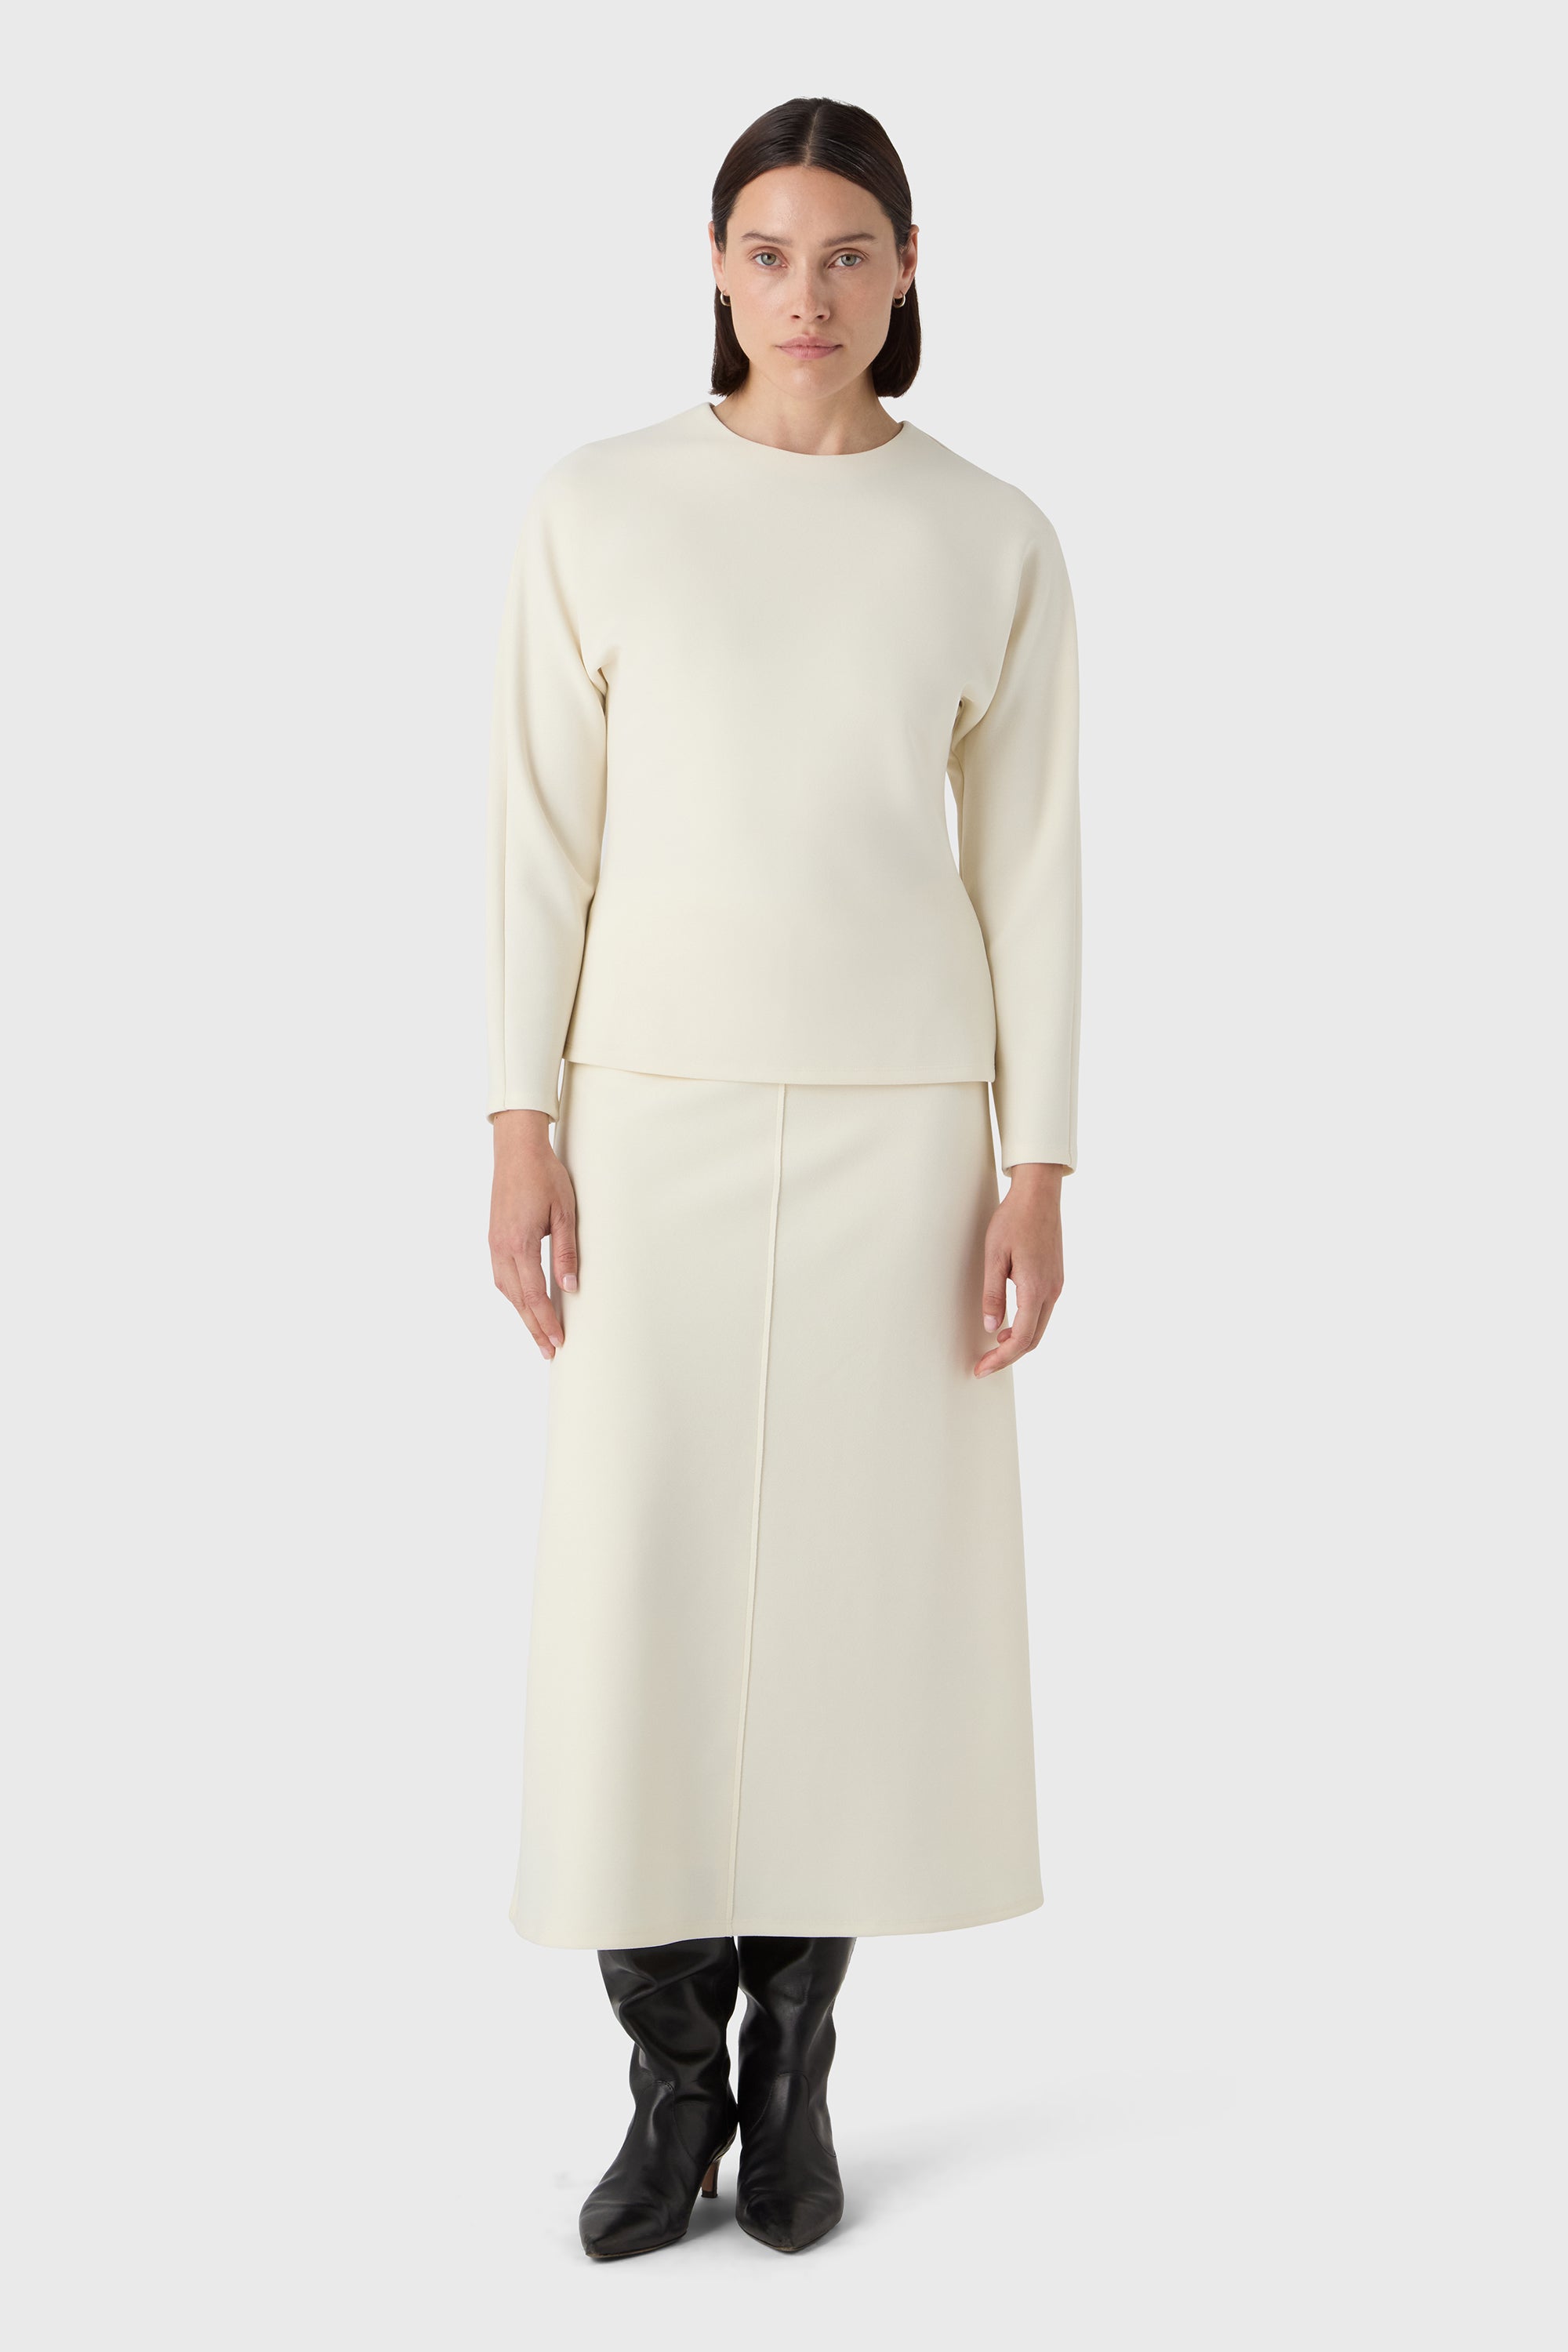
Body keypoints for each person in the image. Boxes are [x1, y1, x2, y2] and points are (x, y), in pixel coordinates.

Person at [485, 95, 1082, 2260]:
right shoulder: (600, 507)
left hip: (901, 1124)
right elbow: (540, 836)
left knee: (843, 1599)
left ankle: (796, 2059)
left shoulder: (989, 536)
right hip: (646, 1119)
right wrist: (518, 1124)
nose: (804, 293)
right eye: (766, 251)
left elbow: (1033, 867)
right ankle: (670, 2082)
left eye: (846, 253)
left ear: (907, 271)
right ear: (715, 269)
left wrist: (1037, 1163)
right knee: (641, 1592)